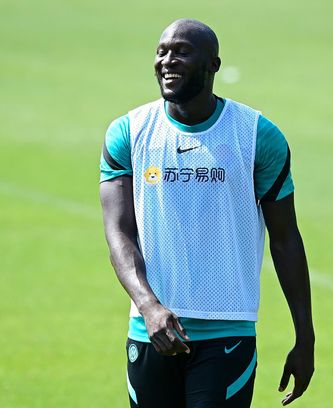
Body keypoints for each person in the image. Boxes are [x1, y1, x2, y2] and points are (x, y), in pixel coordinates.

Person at [99, 19, 315, 407]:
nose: (168, 60)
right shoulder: (128, 133)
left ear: (213, 65)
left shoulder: (257, 136)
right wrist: (149, 306)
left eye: (182, 51)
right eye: (162, 51)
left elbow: (286, 240)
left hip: (227, 333)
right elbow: (119, 234)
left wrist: (305, 337)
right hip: (151, 331)